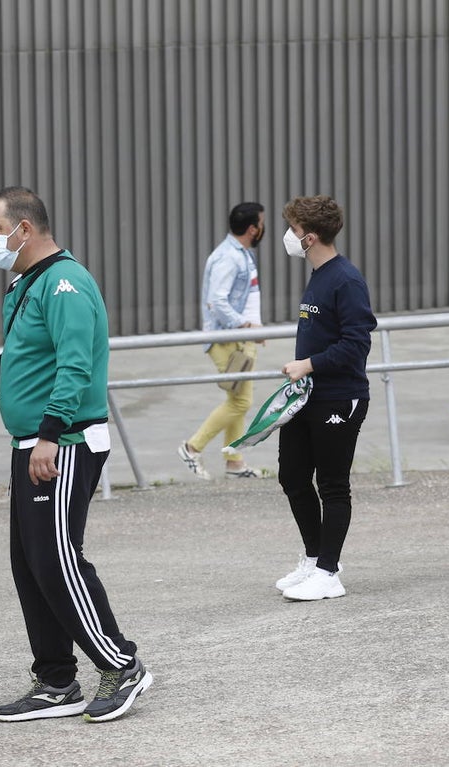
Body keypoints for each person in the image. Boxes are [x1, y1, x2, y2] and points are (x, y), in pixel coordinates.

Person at [0, 186, 152, 723]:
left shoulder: (64, 283)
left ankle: (121, 664)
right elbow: (19, 357)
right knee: (31, 564)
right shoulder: (27, 284)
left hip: (65, 442)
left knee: (57, 558)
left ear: (23, 229)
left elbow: (75, 366)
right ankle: (56, 680)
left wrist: (52, 435)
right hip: (33, 442)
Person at [273, 195, 377, 601]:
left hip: (340, 398)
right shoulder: (318, 274)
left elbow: (357, 343)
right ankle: (315, 558)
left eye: (293, 230)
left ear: (310, 237)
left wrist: (309, 364)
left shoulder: (345, 280)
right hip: (307, 396)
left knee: (333, 485)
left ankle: (329, 572)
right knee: (293, 478)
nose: (288, 236)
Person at [177, 202, 267, 480]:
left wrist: (254, 330)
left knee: (237, 398)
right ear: (253, 229)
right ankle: (192, 447)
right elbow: (217, 301)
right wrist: (243, 325)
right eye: (261, 223)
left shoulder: (240, 253)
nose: (263, 228)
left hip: (239, 339)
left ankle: (234, 462)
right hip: (228, 339)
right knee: (240, 402)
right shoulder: (229, 257)